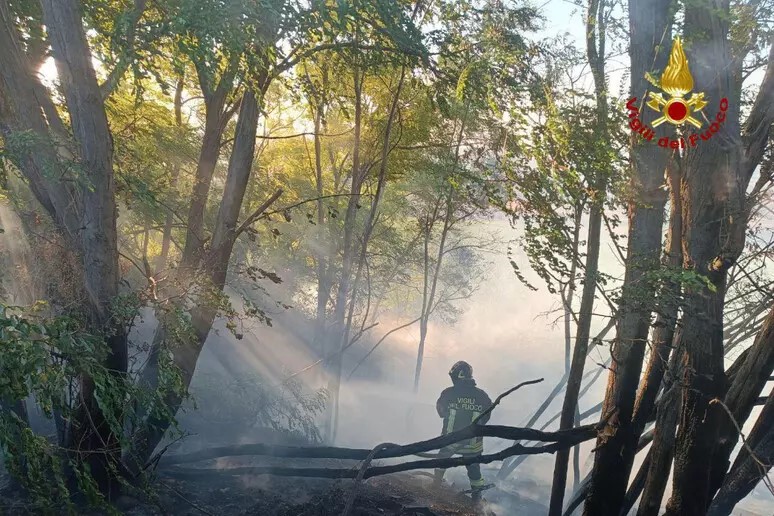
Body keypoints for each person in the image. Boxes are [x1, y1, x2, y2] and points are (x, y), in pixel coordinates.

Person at [433, 360, 493, 502]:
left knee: (441, 461)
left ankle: (435, 485)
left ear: (456, 377)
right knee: (474, 470)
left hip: (450, 441)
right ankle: (476, 499)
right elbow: (487, 416)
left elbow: (440, 411)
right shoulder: (482, 396)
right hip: (473, 445)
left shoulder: (448, 393)